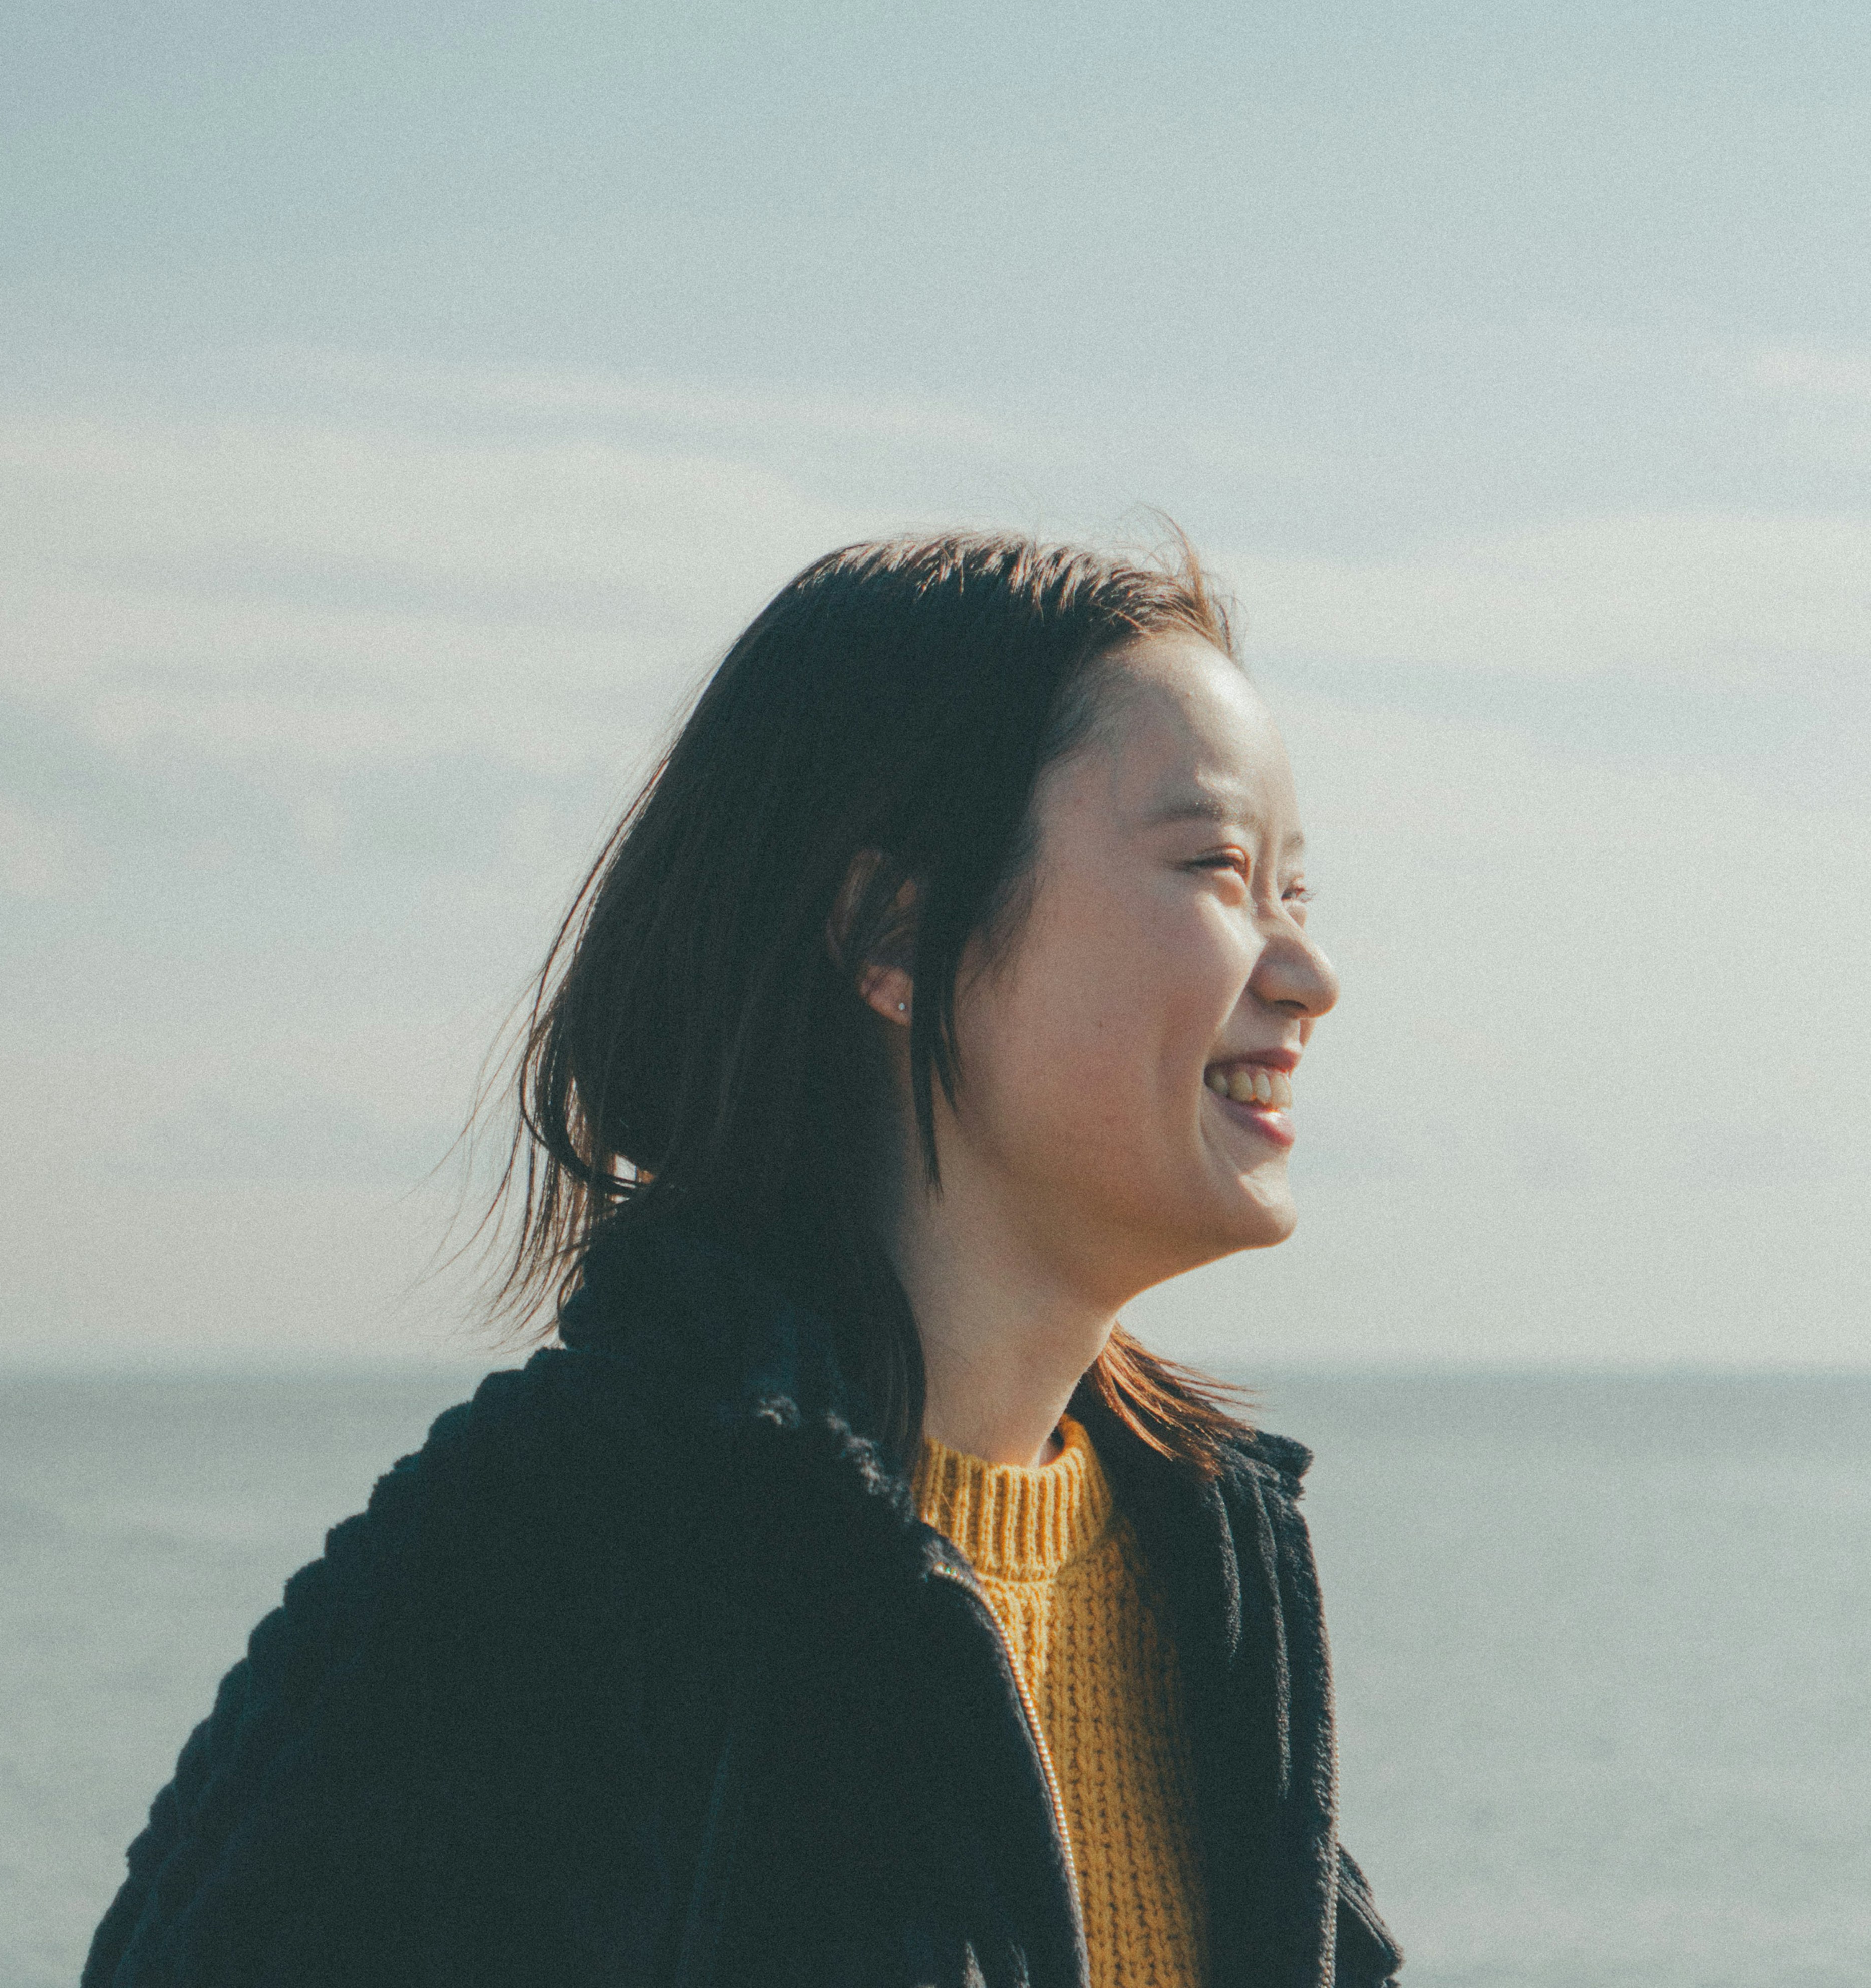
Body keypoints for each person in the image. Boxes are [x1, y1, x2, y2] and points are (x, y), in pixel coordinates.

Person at [86, 530, 1403, 1987]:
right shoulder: (545, 1569)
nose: (1307, 975)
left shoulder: (1215, 1581)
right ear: (893, 928)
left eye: (1298, 893)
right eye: (1216, 867)